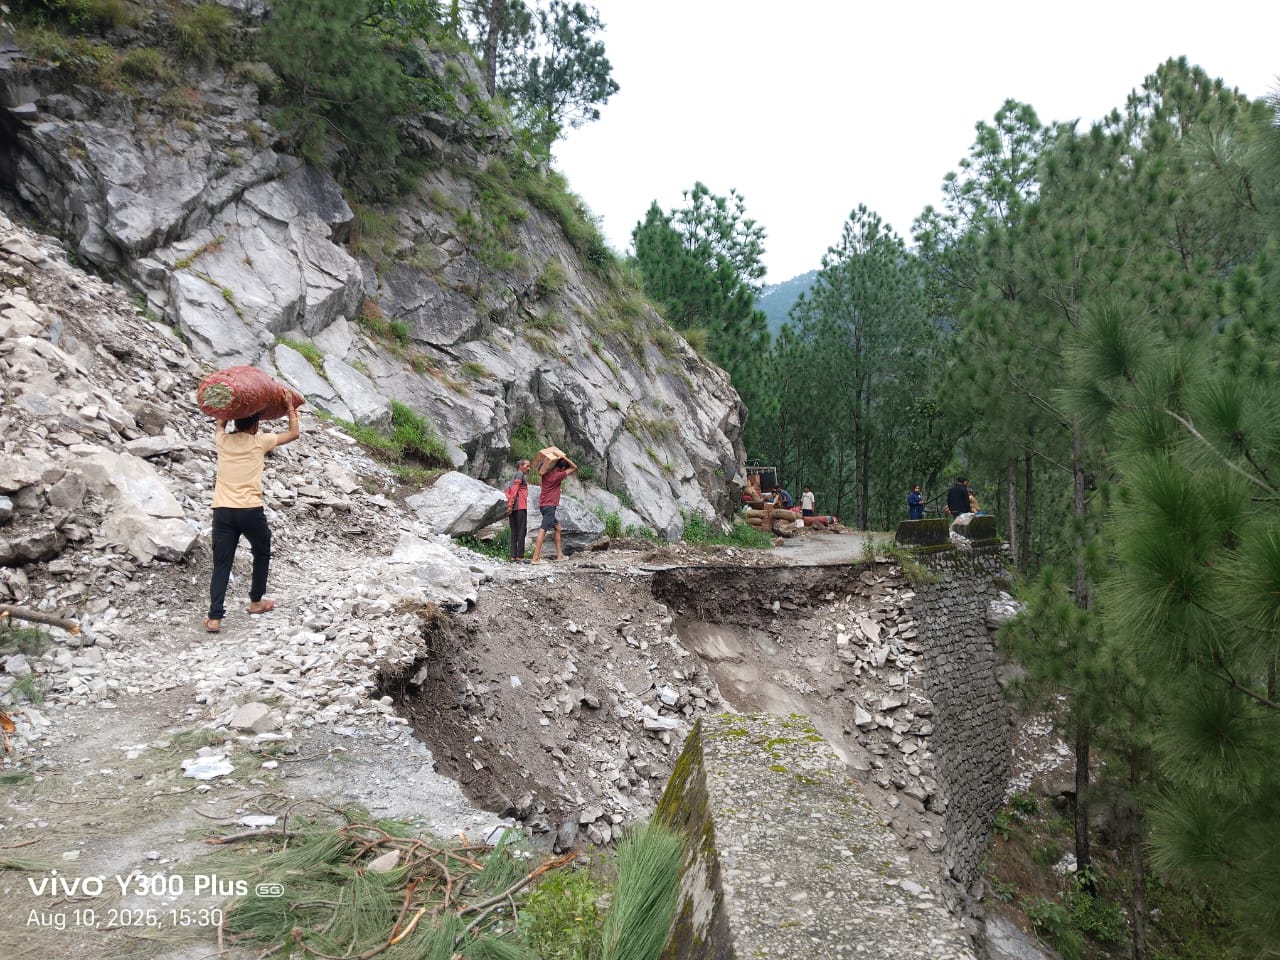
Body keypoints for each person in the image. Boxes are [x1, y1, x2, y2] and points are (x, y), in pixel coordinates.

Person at [205, 401, 302, 633]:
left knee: (222, 564)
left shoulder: (223, 441)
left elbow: (219, 424)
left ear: (235, 422)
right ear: (256, 425)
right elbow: (294, 433)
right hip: (250, 511)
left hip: (223, 512)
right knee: (261, 552)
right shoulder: (260, 442)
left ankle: (215, 618)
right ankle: (256, 601)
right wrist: (290, 408)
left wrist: (226, 412)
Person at [530, 454, 578, 564]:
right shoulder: (558, 475)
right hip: (550, 506)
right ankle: (535, 558)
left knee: (557, 528)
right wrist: (564, 457)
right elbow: (574, 467)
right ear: (562, 468)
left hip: (543, 505)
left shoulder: (545, 473)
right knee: (543, 530)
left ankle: (560, 555)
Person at [505, 459, 531, 562]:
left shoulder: (512, 477)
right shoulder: (520, 475)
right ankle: (520, 556)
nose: (528, 468)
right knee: (521, 531)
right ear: (520, 465)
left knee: (514, 531)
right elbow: (515, 490)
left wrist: (510, 505)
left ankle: (513, 556)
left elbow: (508, 492)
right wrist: (511, 505)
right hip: (520, 507)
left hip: (513, 508)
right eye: (527, 466)